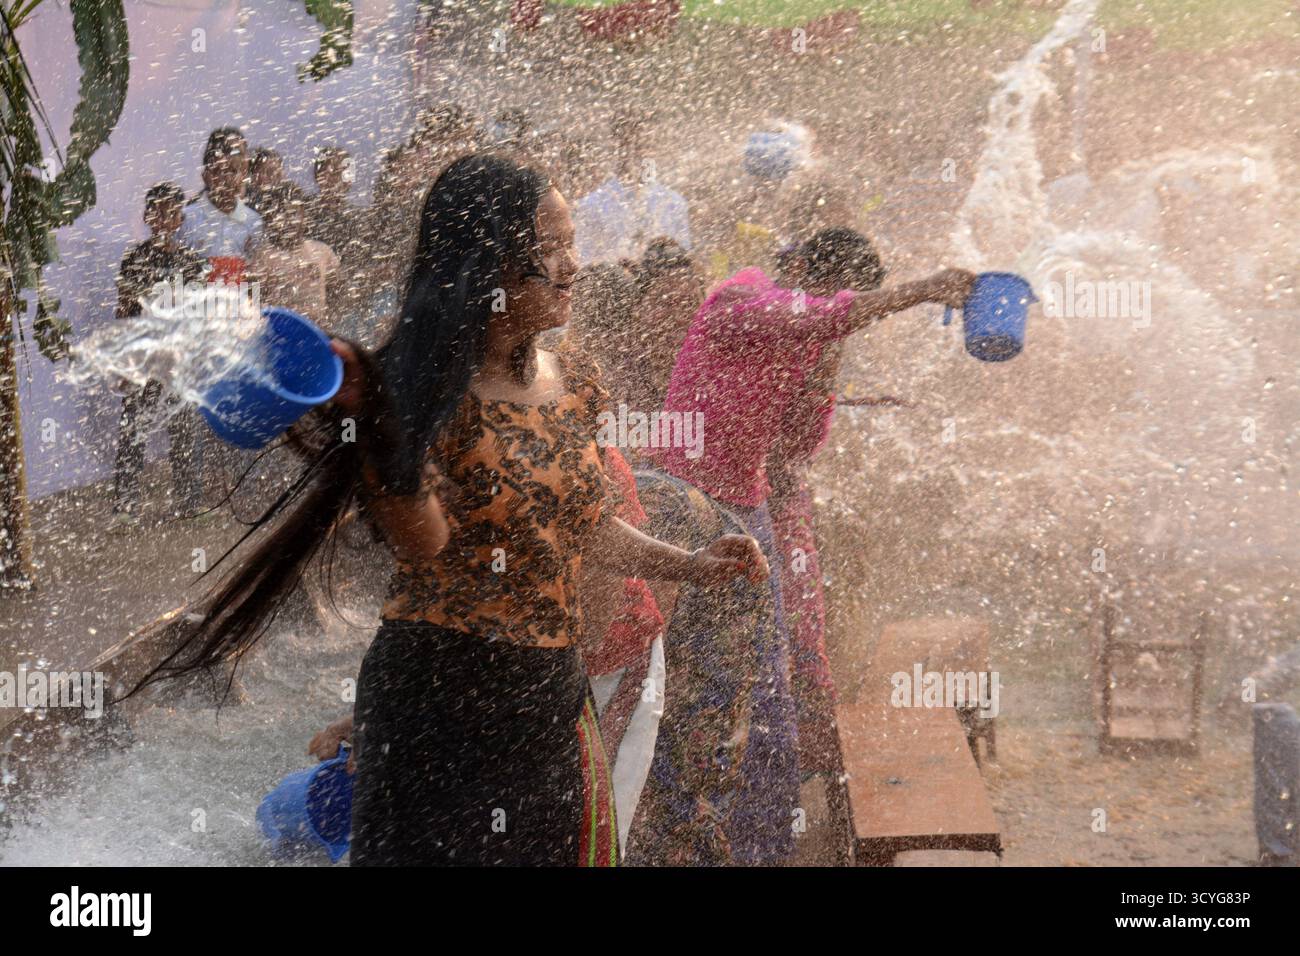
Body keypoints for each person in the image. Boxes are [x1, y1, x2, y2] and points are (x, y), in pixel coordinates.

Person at [145, 153, 768, 867]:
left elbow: (587, 526)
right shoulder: (422, 391)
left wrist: (690, 564)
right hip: (440, 704)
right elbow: (423, 541)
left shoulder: (572, 379)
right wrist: (381, 433)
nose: (572, 265)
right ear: (487, 263)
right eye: (551, 247)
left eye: (572, 244)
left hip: (550, 701)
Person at [648, 231, 975, 862]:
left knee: (770, 690)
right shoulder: (741, 296)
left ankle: (762, 850)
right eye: (829, 296)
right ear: (797, 271)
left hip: (748, 510)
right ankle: (679, 840)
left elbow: (798, 443)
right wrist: (923, 290)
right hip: (683, 501)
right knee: (690, 685)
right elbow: (817, 314)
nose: (832, 313)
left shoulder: (811, 331)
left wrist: (826, 363)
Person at [108, 183, 209, 532]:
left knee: (184, 432)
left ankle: (188, 503)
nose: (166, 218)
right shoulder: (134, 259)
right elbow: (124, 311)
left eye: (173, 212)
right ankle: (125, 509)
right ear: (148, 217)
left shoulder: (192, 261)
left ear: (180, 219)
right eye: (159, 211)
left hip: (178, 360)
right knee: (133, 432)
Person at [573, 107, 691, 265]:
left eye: (646, 144)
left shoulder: (674, 203)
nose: (641, 152)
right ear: (618, 145)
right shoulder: (593, 205)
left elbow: (684, 265)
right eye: (632, 143)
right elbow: (585, 263)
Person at [246, 183, 339, 331]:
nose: (288, 221)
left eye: (293, 213)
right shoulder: (263, 257)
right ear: (271, 218)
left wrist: (331, 322)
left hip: (319, 332)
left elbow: (338, 294)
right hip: (281, 332)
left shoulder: (322, 251)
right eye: (281, 214)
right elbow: (253, 304)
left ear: (304, 215)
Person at [180, 127, 263, 286]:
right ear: (207, 174)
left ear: (244, 175)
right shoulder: (187, 218)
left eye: (234, 171)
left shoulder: (254, 220)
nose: (228, 179)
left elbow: (255, 273)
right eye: (221, 171)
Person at [245, 146, 285, 217]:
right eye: (270, 172)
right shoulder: (246, 205)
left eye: (278, 173)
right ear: (253, 175)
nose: (274, 177)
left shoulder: (286, 202)